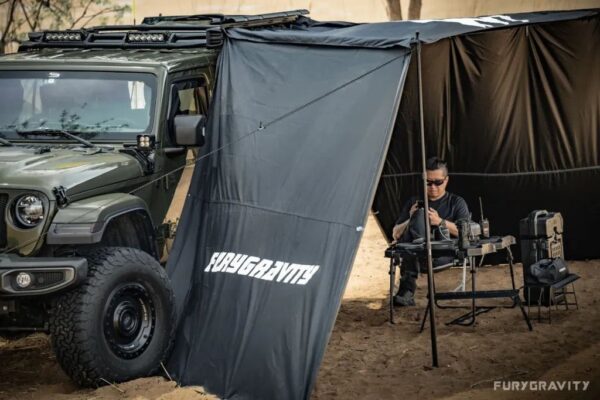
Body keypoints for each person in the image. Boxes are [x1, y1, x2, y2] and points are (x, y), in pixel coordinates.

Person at [391, 157, 470, 306]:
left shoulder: (456, 203)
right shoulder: (414, 202)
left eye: (438, 182)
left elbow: (465, 233)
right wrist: (410, 217)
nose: (432, 187)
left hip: (441, 254)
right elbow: (395, 233)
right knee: (418, 216)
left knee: (411, 243)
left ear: (446, 180)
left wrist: (440, 222)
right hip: (417, 256)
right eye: (428, 182)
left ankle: (407, 290)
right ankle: (418, 244)